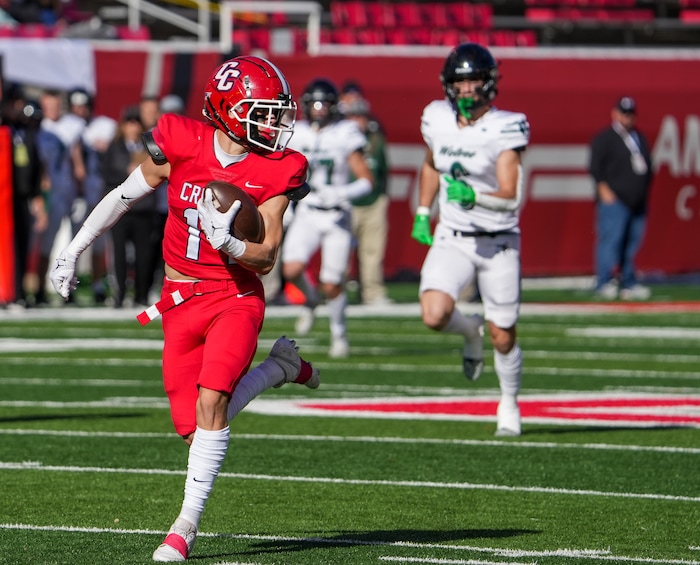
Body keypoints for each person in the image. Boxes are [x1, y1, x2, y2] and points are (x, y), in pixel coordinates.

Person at [49, 55, 319, 562]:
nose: (274, 125)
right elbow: (124, 196)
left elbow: (266, 256)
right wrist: (74, 248)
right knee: (194, 429)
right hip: (179, 301)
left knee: (213, 399)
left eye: (276, 114)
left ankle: (184, 527)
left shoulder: (280, 167)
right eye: (262, 113)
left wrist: (232, 245)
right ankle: (277, 370)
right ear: (229, 108)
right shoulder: (181, 140)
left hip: (234, 299)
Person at [411, 43, 530, 437]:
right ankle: (468, 330)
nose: (466, 90)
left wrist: (474, 195)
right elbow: (432, 163)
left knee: (504, 334)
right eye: (459, 82)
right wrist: (424, 211)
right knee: (433, 313)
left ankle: (509, 402)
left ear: (489, 82)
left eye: (473, 80)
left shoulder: (504, 127)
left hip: (498, 242)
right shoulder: (436, 118)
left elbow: (511, 193)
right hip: (454, 235)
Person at [281, 78, 374, 358]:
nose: (319, 110)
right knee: (291, 270)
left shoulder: (345, 132)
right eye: (314, 104)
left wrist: (342, 193)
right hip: (307, 212)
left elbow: (367, 181)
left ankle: (339, 333)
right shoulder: (296, 132)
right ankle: (310, 300)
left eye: (324, 104)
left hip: (336, 216)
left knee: (333, 283)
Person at [589, 96, 653, 301]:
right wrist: (603, 188)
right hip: (615, 199)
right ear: (615, 114)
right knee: (611, 240)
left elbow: (647, 165)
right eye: (623, 113)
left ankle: (628, 280)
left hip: (637, 200)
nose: (627, 118)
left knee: (631, 243)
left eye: (630, 114)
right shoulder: (606, 138)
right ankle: (604, 280)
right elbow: (595, 167)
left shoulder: (639, 137)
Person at [338, 82, 391, 306]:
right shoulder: (336, 136)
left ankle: (372, 292)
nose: (356, 120)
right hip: (345, 202)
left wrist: (382, 196)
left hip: (372, 202)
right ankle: (336, 294)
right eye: (351, 115)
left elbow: (383, 169)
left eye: (359, 115)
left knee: (372, 252)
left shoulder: (375, 135)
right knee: (339, 253)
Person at [100, 104, 153, 307]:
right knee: (119, 255)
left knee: (143, 254)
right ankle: (119, 294)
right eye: (129, 123)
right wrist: (127, 170)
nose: (132, 128)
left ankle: (141, 294)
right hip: (121, 208)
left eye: (136, 123)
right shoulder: (115, 148)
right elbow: (107, 175)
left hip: (143, 208)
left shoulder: (148, 146)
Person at [1, 84, 47, 308]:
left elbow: (35, 165)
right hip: (4, 197)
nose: (20, 108)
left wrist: (36, 195)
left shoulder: (25, 131)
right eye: (16, 103)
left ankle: (17, 292)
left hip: (20, 196)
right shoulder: (5, 130)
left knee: (21, 244)